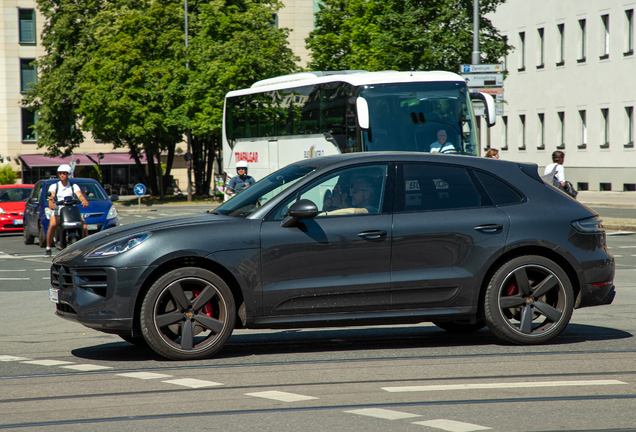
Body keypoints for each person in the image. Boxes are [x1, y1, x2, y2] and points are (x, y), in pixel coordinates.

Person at [46, 164, 89, 257]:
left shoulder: (74, 186)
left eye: (64, 173)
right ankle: (48, 247)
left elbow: (80, 195)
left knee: (84, 226)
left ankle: (85, 246)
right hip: (58, 211)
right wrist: (51, 202)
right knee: (52, 224)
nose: (62, 175)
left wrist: (84, 200)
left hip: (71, 210)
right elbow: (51, 195)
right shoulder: (55, 186)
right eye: (60, 173)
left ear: (68, 174)